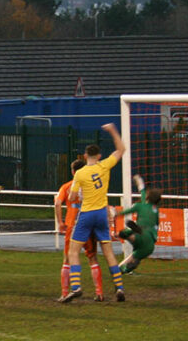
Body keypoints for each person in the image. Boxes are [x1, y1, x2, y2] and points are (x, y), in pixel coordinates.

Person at [63, 124, 126, 303]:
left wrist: (76, 194)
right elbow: (121, 149)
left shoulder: (80, 173)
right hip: (101, 213)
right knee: (108, 252)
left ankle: (76, 287)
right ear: (98, 156)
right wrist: (113, 131)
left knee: (73, 251)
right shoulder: (104, 166)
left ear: (85, 156)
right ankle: (119, 288)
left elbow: (73, 197)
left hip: (87, 213)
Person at [54, 158, 104, 301]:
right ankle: (99, 293)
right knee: (92, 257)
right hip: (89, 224)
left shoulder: (67, 186)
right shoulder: (92, 186)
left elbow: (58, 203)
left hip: (73, 225)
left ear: (73, 172)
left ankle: (65, 293)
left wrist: (60, 222)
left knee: (68, 258)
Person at [119, 174, 162, 275]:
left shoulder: (143, 205)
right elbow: (143, 194)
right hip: (149, 242)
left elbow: (142, 192)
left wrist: (139, 182)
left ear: (148, 197)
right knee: (135, 257)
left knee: (124, 234)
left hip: (141, 235)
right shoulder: (154, 209)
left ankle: (129, 233)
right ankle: (123, 269)